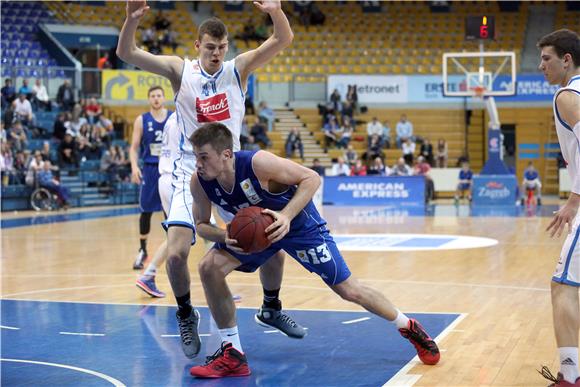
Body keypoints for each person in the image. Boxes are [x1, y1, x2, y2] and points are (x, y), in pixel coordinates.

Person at [117, 0, 301, 360]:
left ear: (227, 46)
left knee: (270, 236)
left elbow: (282, 39)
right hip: (191, 171)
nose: (216, 53)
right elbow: (127, 52)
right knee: (175, 255)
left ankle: (271, 306)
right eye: (210, 47)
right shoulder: (179, 71)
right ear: (197, 46)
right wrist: (131, 20)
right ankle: (186, 313)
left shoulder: (238, 69)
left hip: (233, 168)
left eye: (222, 47)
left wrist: (275, 11)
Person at [187, 123, 440, 378]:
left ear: (226, 155)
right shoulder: (199, 182)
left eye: (204, 157)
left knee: (349, 290)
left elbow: (311, 178)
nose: (198, 163)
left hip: (298, 225)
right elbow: (201, 225)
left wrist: (285, 216)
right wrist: (223, 234)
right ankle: (233, 353)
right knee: (208, 267)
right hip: (259, 232)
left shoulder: (258, 163)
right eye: (196, 157)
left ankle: (408, 326)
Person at [540, 29, 580, 387]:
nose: (541, 66)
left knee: (563, 286)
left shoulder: (568, 95)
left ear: (566, 59)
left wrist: (573, 200)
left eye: (547, 58)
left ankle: (571, 376)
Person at [129, 86, 172, 299]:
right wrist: (134, 166)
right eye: (153, 96)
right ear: (149, 100)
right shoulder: (141, 120)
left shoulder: (173, 117)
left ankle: (169, 248)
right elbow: (133, 146)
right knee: (145, 211)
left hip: (169, 170)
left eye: (159, 95)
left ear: (164, 98)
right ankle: (143, 250)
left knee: (169, 216)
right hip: (150, 169)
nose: (156, 99)